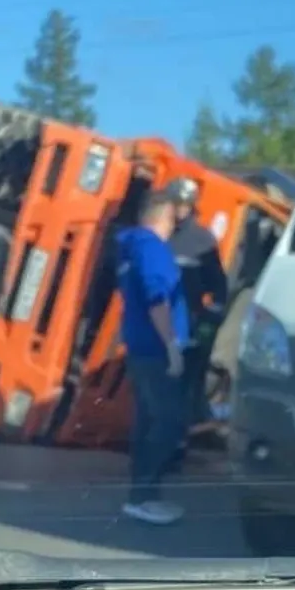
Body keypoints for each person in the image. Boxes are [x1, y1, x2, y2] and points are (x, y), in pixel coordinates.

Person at [115, 180, 191, 526]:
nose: (175, 226)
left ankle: (142, 496)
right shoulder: (153, 250)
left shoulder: (128, 248)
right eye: (174, 220)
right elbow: (157, 300)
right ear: (164, 216)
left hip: (139, 347)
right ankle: (143, 495)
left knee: (147, 420)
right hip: (156, 349)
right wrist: (173, 348)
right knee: (169, 422)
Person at [166, 178, 231, 438]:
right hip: (158, 323)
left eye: (185, 204)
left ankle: (175, 442)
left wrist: (209, 318)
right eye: (176, 204)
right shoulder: (159, 235)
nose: (180, 209)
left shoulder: (202, 240)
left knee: (182, 386)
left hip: (188, 325)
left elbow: (219, 285)